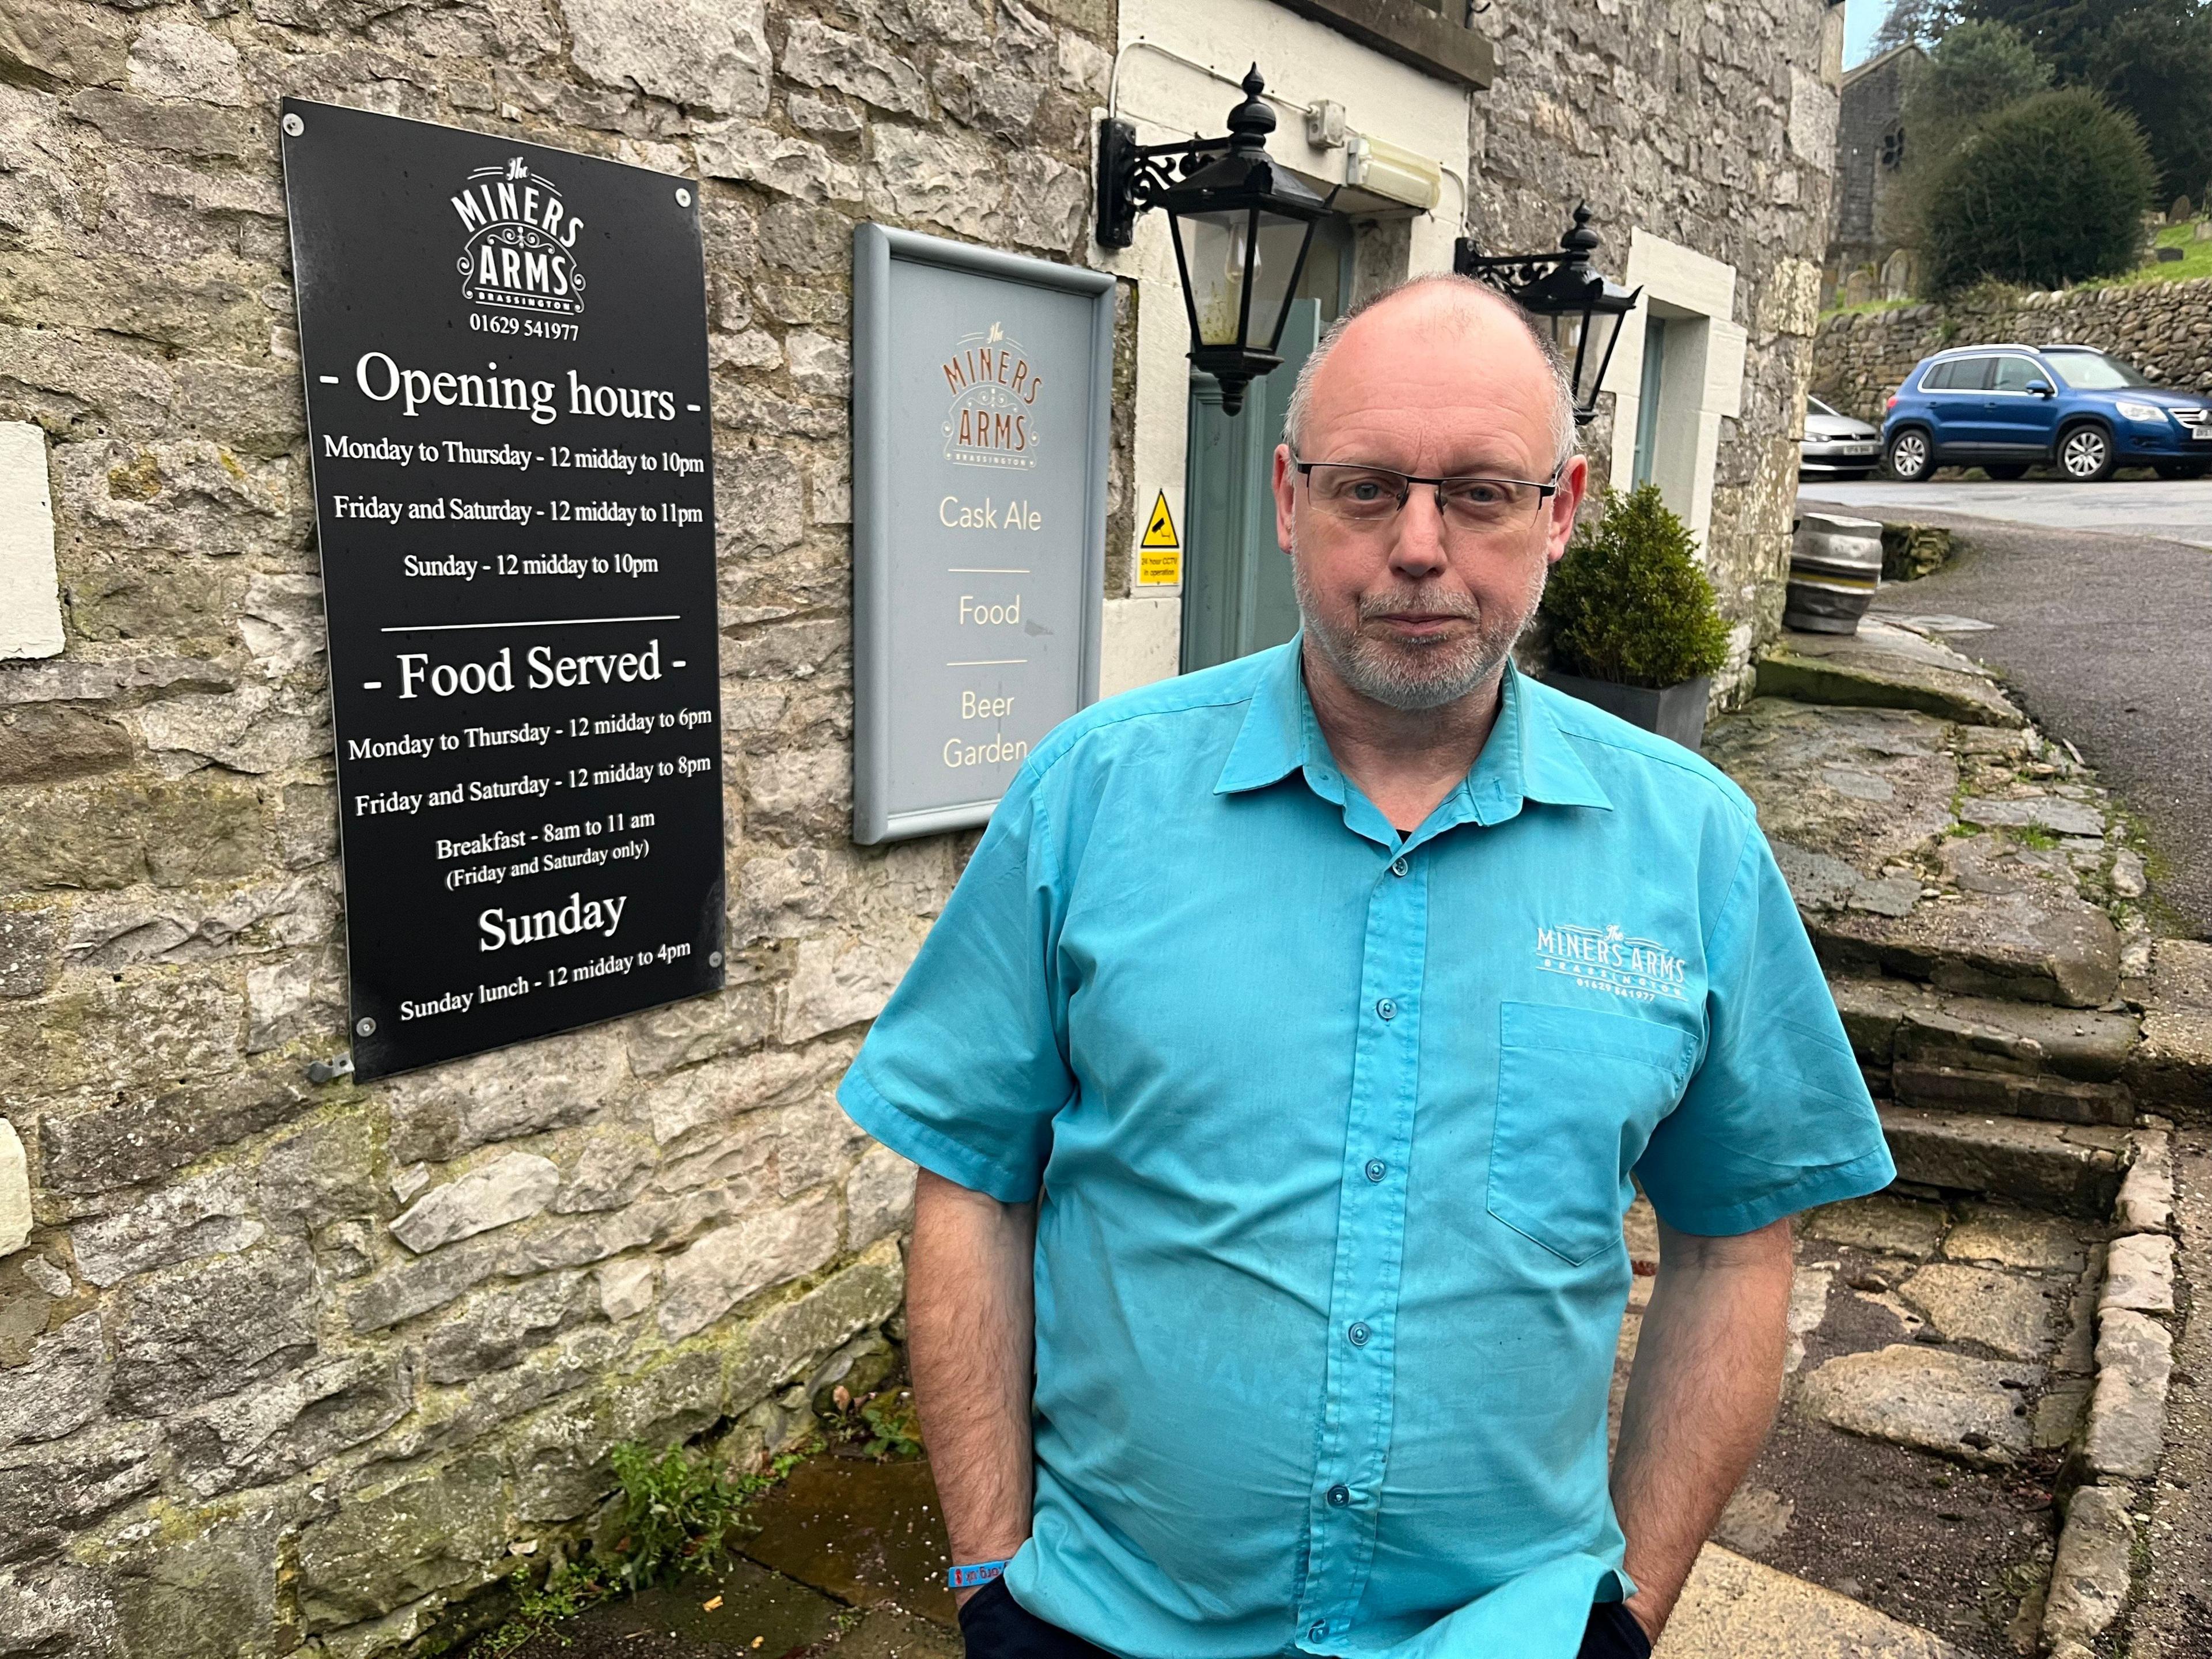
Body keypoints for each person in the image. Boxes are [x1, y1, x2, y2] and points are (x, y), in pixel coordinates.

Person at [836, 273, 1894, 1659]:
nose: (1416, 546)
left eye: (1479, 494)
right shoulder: (1091, 797)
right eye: (1367, 489)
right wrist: (987, 1576)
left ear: (1562, 510)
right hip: (1109, 1626)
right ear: (1286, 498)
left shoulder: (1691, 846)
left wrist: (1629, 1614)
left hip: (1510, 1635)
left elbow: (1737, 1241)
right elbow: (971, 1179)